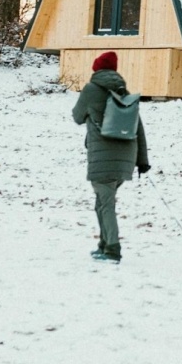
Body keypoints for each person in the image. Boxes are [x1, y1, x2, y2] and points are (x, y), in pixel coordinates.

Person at [71, 51, 149, 263]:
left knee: (106, 205)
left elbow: (77, 117)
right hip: (126, 160)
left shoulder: (91, 89)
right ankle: (104, 245)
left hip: (102, 159)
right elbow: (139, 127)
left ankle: (113, 249)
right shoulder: (124, 92)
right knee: (102, 203)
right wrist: (143, 161)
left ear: (96, 69)